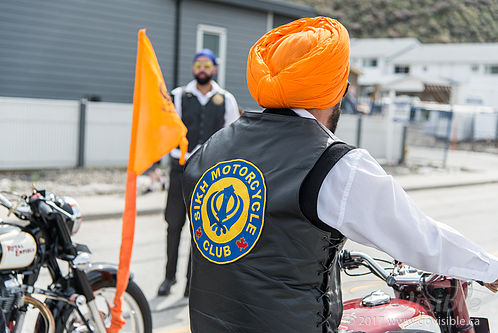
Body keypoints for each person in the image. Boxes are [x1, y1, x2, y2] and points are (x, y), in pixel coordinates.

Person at [181, 17, 498, 332]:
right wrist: (489, 268)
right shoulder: (333, 163)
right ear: (338, 91)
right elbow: (423, 239)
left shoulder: (208, 151)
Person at [157, 48, 240, 297]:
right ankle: (168, 277)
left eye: (206, 65)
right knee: (173, 225)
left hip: (210, 173)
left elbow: (232, 136)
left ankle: (190, 282)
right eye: (197, 65)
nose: (201, 69)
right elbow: (166, 129)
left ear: (214, 68)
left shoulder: (226, 98)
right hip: (180, 169)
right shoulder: (180, 95)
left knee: (201, 230)